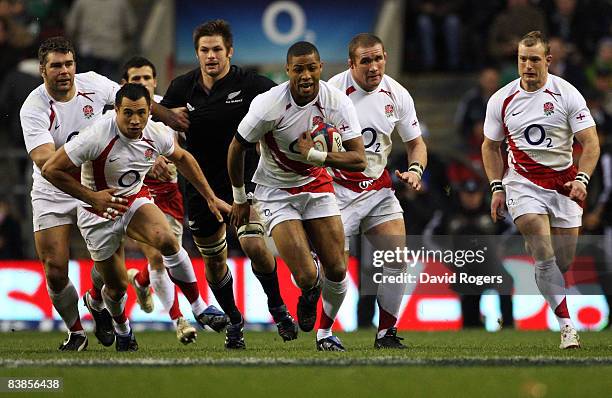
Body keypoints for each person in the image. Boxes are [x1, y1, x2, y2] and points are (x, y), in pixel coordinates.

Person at [19, 36, 188, 352]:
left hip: (100, 185)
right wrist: (88, 194)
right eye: (56, 65)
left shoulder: (94, 84)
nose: (64, 71)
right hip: (55, 189)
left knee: (116, 278)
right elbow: (46, 162)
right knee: (55, 270)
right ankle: (76, 332)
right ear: (42, 70)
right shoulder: (34, 106)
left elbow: (134, 100)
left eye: (69, 63)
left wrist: (165, 123)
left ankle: (97, 302)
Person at [41, 83, 228, 351]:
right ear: (116, 110)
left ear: (149, 110)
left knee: (167, 240)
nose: (135, 120)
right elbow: (50, 169)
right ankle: (122, 329)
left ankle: (199, 307)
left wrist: (210, 197)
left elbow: (184, 158)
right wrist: (91, 197)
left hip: (133, 200)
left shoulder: (156, 133)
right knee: (116, 288)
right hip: (97, 213)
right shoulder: (95, 136)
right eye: (127, 113)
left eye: (141, 112)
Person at [160, 20, 298, 349]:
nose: (211, 56)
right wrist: (165, 117)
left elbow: (286, 100)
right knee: (214, 261)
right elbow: (148, 115)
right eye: (204, 50)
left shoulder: (250, 84)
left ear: (230, 52)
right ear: (197, 53)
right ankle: (234, 321)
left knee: (253, 246)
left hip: (245, 183)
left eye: (217, 50)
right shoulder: (183, 87)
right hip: (198, 187)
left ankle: (277, 306)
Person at [228, 41, 366, 351]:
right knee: (305, 276)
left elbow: (359, 159)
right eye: (298, 69)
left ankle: (326, 333)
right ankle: (309, 291)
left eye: (311, 68)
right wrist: (240, 197)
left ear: (321, 68)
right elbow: (237, 147)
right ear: (288, 70)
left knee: (339, 269)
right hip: (276, 192)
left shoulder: (336, 102)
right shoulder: (269, 104)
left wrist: (317, 156)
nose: (305, 75)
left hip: (316, 185)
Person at [481, 31, 600, 349]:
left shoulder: (567, 94)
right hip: (522, 183)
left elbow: (590, 143)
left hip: (564, 184)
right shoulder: (502, 99)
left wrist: (583, 180)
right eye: (522, 59)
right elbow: (490, 146)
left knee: (562, 260)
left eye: (534, 59)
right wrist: (496, 188)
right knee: (538, 239)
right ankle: (566, 327)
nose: (528, 65)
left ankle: (554, 294)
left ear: (548, 60)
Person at [120, 56, 229, 345]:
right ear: (124, 84)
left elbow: (182, 148)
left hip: (169, 193)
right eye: (135, 79)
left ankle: (141, 280)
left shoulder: (169, 111)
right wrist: (148, 160)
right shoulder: (119, 113)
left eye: (146, 78)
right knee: (158, 255)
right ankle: (180, 320)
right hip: (136, 193)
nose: (141, 83)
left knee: (169, 253)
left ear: (155, 82)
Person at [327, 33, 427, 348]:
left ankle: (386, 333)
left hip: (378, 189)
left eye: (379, 58)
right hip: (338, 191)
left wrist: (415, 170)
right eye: (366, 60)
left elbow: (416, 144)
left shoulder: (396, 94)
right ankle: (324, 331)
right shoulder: (331, 93)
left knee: (397, 258)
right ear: (351, 64)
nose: (374, 66)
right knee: (333, 270)